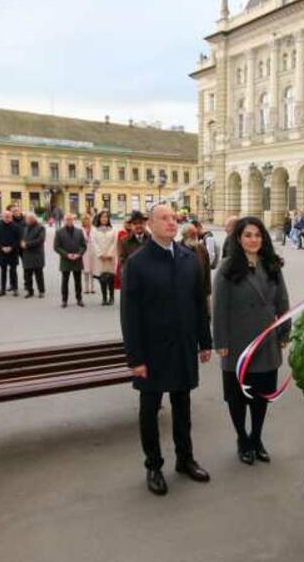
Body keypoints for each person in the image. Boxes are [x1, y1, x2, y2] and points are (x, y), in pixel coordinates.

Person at [120, 205, 213, 496]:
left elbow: (199, 303)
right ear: (150, 224)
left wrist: (205, 341)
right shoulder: (137, 262)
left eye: (174, 218)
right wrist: (135, 358)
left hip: (183, 346)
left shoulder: (188, 258)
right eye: (164, 218)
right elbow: (129, 315)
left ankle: (185, 459)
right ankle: (154, 465)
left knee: (182, 405)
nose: (172, 222)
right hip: (152, 351)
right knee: (150, 409)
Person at [213, 217, 289, 465]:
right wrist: (220, 341)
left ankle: (256, 438)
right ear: (238, 238)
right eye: (247, 235)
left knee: (262, 396)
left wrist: (284, 332)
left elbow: (283, 301)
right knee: (237, 397)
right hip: (237, 343)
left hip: (266, 341)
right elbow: (219, 308)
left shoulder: (272, 264)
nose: (253, 239)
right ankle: (242, 439)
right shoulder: (227, 267)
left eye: (257, 235)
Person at [54, 213, 87, 307]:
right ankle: (64, 300)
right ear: (64, 220)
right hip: (65, 260)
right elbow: (56, 247)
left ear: (73, 220)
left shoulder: (79, 231)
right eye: (67, 219)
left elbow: (83, 246)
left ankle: (79, 299)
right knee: (65, 282)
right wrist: (66, 255)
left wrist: (79, 254)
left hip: (77, 260)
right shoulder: (59, 232)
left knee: (78, 281)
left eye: (71, 219)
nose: (69, 221)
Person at [0, 209, 22, 297]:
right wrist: (1, 247)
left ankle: (15, 288)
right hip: (2, 251)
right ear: (2, 217)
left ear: (11, 217)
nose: (7, 218)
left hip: (13, 251)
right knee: (3, 271)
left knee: (13, 271)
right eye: (5, 216)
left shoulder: (16, 226)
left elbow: (19, 239)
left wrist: (11, 247)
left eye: (9, 216)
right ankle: (2, 289)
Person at [21, 213, 46, 298]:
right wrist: (22, 243)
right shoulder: (25, 228)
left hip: (37, 255)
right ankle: (30, 291)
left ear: (32, 219)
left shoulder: (40, 227)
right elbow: (23, 239)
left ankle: (41, 291)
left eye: (27, 219)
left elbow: (40, 240)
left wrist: (27, 244)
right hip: (27, 255)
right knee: (27, 275)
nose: (25, 221)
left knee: (39, 275)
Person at [80, 214, 96, 294]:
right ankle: (86, 287)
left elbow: (97, 239)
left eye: (88, 220)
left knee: (92, 269)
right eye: (85, 220)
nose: (86, 221)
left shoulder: (94, 229)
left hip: (93, 250)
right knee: (85, 270)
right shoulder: (80, 230)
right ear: (83, 221)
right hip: (84, 251)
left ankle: (92, 287)